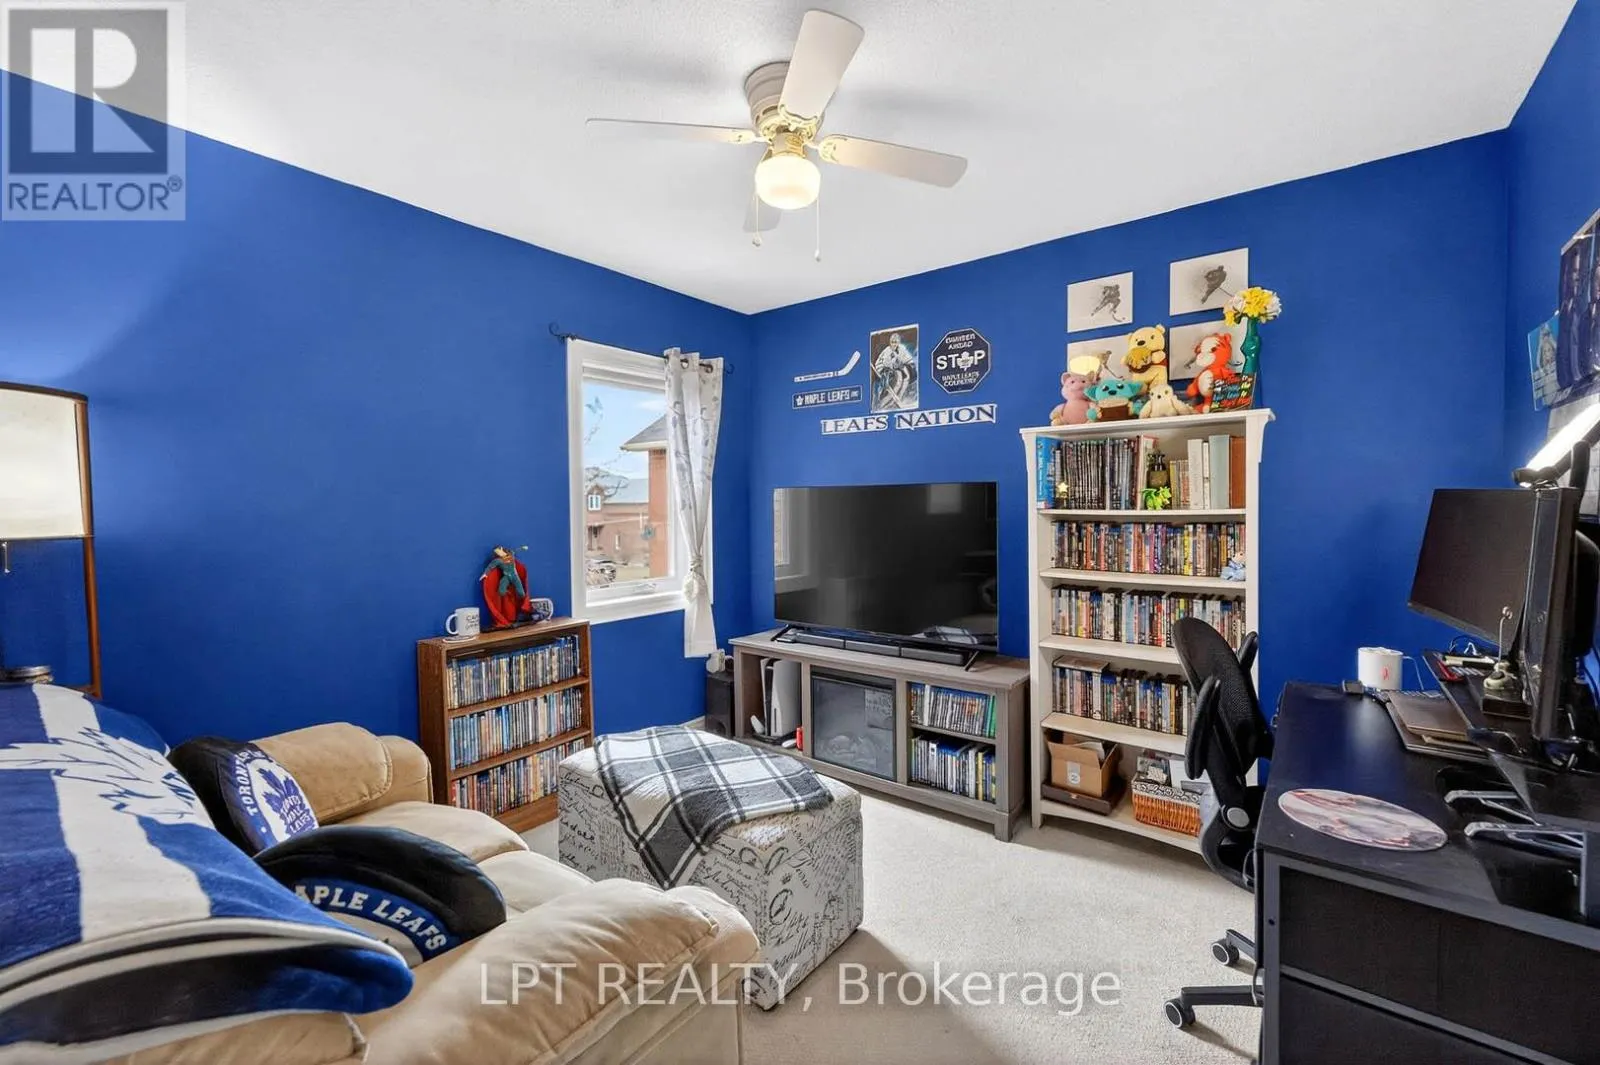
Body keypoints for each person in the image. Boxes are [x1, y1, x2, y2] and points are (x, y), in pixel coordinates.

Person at [873, 332, 917, 410]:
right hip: (884, 369)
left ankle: (899, 397)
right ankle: (887, 401)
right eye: (892, 342)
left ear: (898, 342)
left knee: (907, 375)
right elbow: (885, 363)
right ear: (890, 342)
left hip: (896, 368)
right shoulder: (888, 350)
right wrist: (895, 364)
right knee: (899, 375)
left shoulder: (901, 348)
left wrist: (907, 364)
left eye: (895, 342)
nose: (894, 344)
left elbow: (907, 358)